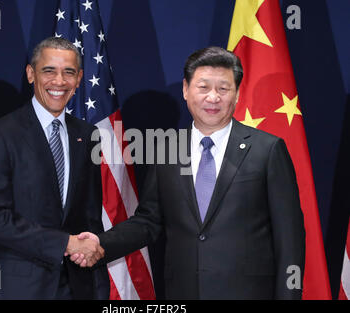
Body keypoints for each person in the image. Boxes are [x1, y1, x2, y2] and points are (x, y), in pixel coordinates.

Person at [72, 46, 306, 299]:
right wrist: (101, 244)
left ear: (237, 94)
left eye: (223, 89)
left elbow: (290, 236)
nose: (213, 97)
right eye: (203, 87)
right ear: (186, 89)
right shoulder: (167, 149)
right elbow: (149, 221)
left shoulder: (267, 149)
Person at [0, 37, 109, 300]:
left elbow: (91, 217)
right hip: (16, 289)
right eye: (49, 71)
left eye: (69, 72)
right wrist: (65, 243)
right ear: (30, 74)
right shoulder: (0, 134)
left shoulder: (88, 135)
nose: (59, 81)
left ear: (79, 78)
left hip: (76, 288)